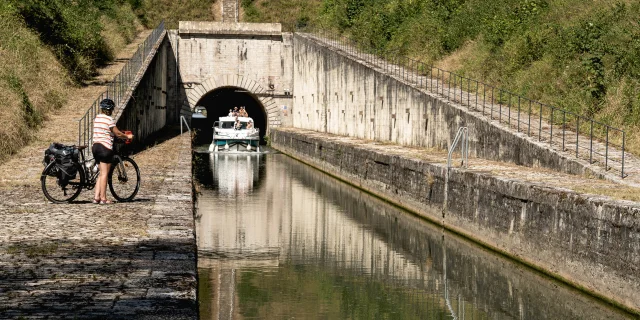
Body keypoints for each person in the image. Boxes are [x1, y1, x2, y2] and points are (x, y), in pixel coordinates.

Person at [92, 98, 133, 204]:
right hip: (105, 148)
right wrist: (127, 136)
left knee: (101, 173)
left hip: (95, 147)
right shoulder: (109, 119)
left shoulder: (97, 118)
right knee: (105, 173)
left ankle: (96, 197)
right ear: (110, 110)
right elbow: (117, 133)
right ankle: (104, 199)